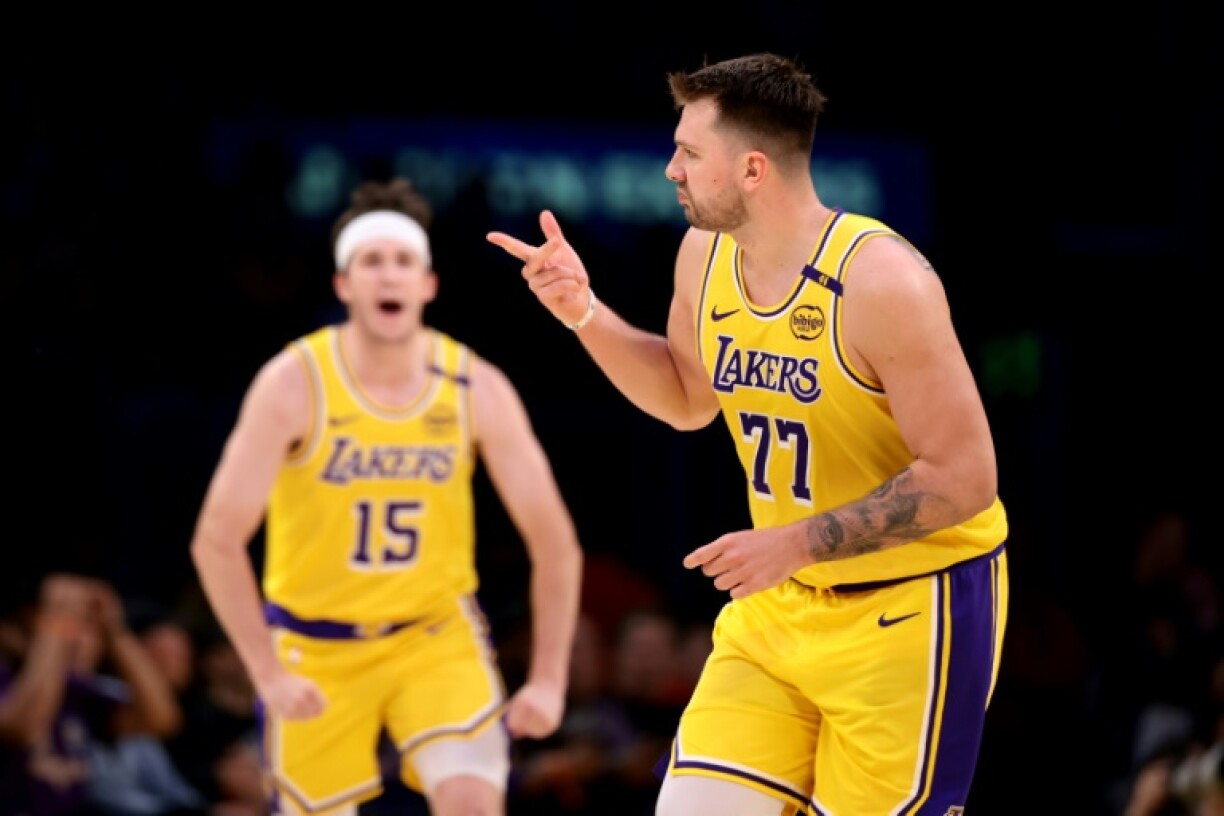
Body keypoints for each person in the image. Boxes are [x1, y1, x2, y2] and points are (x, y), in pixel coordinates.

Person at [487, 52, 1009, 815]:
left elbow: (965, 478)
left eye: (690, 154)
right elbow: (685, 397)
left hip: (911, 610)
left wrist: (795, 542)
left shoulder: (883, 283)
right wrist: (584, 315)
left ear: (754, 170)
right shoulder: (705, 254)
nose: (671, 170)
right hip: (781, 605)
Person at [190, 176, 584, 816]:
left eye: (404, 261)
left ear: (428, 285)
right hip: (314, 648)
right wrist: (266, 673)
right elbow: (216, 538)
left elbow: (555, 543)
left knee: (471, 801)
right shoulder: (294, 382)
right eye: (370, 262)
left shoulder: (473, 385)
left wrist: (547, 680)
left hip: (433, 638)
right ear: (344, 285)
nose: (388, 276)